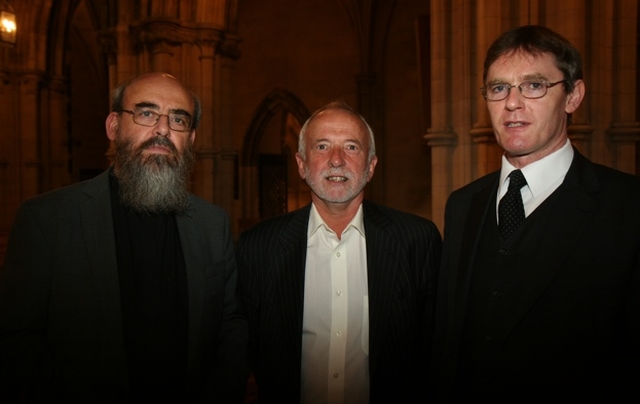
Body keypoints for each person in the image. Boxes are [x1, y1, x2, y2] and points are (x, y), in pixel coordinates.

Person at [0, 72, 248, 403]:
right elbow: (16, 340)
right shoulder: (47, 219)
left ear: (190, 139)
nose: (162, 129)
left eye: (178, 119)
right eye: (146, 113)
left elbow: (230, 325)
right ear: (113, 126)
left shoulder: (211, 223)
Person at [432, 25, 640, 402]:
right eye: (498, 88)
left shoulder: (628, 207)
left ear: (573, 95)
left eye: (533, 86)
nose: (512, 103)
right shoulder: (462, 204)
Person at [236, 101, 442, 403]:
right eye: (322, 146)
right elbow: (240, 352)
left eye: (351, 147)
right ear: (302, 164)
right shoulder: (258, 247)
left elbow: (437, 353)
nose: (336, 160)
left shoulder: (417, 241)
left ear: (370, 167)